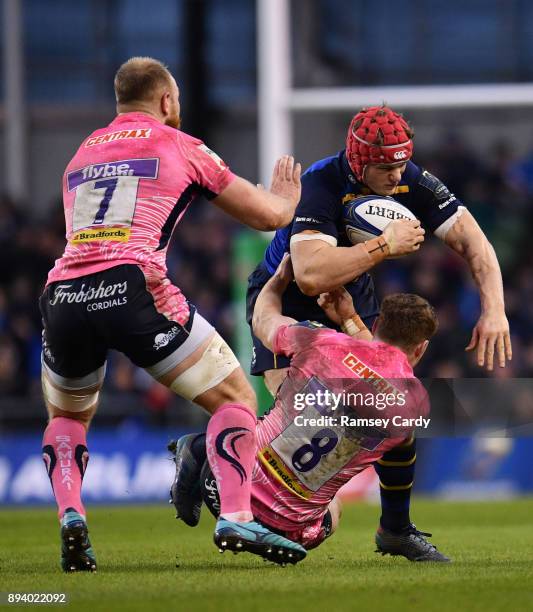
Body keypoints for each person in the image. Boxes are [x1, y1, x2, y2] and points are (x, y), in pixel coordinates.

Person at [39, 56, 305, 572]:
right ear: (166, 100)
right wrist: (287, 199)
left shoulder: (79, 156)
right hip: (132, 288)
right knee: (235, 397)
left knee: (67, 418)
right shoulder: (179, 144)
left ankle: (72, 516)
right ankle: (234, 514)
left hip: (63, 294)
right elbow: (265, 216)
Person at [245, 105, 512, 561]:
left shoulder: (413, 179)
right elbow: (309, 275)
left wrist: (495, 311)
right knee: (301, 418)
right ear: (357, 160)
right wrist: (385, 244)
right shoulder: (322, 184)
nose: (396, 176)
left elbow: (475, 242)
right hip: (287, 300)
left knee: (396, 411)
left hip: (352, 298)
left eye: (401, 163)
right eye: (385, 168)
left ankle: (395, 528)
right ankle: (208, 467)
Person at [169, 255, 448, 560]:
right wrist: (352, 322)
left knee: (262, 410)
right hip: (295, 532)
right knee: (338, 505)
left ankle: (198, 450)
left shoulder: (323, 342)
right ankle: (395, 528)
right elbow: (377, 376)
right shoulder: (415, 403)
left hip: (221, 487)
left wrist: (277, 281)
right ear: (421, 347)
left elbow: (263, 320)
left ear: (378, 323)